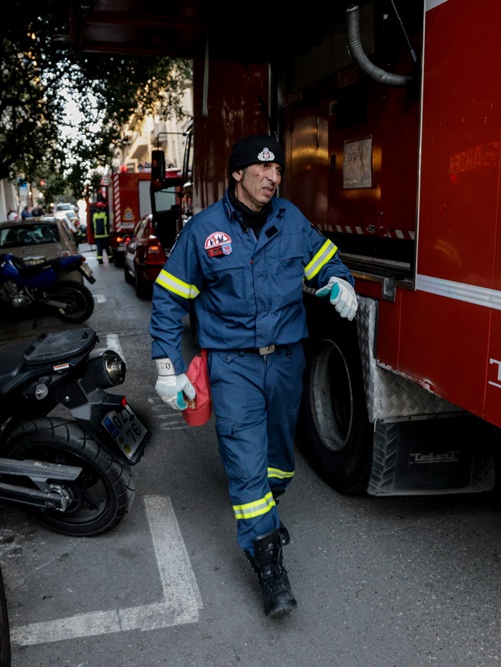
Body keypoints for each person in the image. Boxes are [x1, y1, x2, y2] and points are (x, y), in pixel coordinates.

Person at [148, 134, 357, 619]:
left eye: (278, 170)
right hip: (232, 365)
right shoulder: (204, 232)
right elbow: (168, 299)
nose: (272, 178)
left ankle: (267, 508)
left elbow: (327, 263)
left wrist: (339, 282)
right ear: (237, 174)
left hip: (286, 361)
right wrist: (167, 366)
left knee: (280, 459)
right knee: (245, 463)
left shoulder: (292, 221)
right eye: (262, 170)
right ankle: (268, 563)